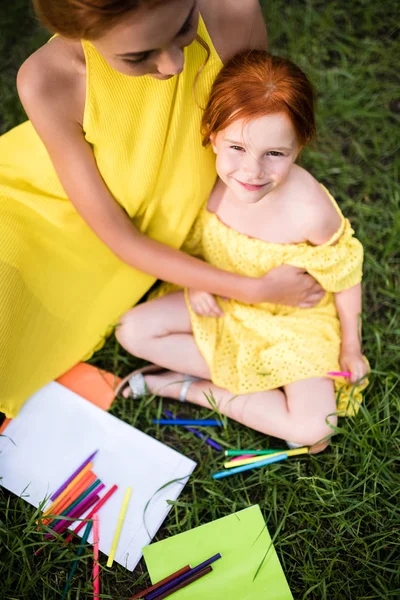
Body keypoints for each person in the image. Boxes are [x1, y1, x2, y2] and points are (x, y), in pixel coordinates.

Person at [0, 0, 327, 418]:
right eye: (137, 56)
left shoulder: (233, 12)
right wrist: (252, 290)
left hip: (145, 235)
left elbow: (257, 134)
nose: (173, 64)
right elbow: (120, 238)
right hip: (45, 210)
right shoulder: (47, 80)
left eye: (184, 26)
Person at [115, 50, 370, 452]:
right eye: (236, 147)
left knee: (314, 432)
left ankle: (187, 388)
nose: (251, 172)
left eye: (275, 154)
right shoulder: (203, 182)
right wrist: (194, 281)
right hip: (221, 300)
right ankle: (252, 382)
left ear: (299, 146)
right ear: (212, 135)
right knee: (132, 329)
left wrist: (351, 348)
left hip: (293, 321)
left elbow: (345, 273)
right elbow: (189, 242)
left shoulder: (310, 210)